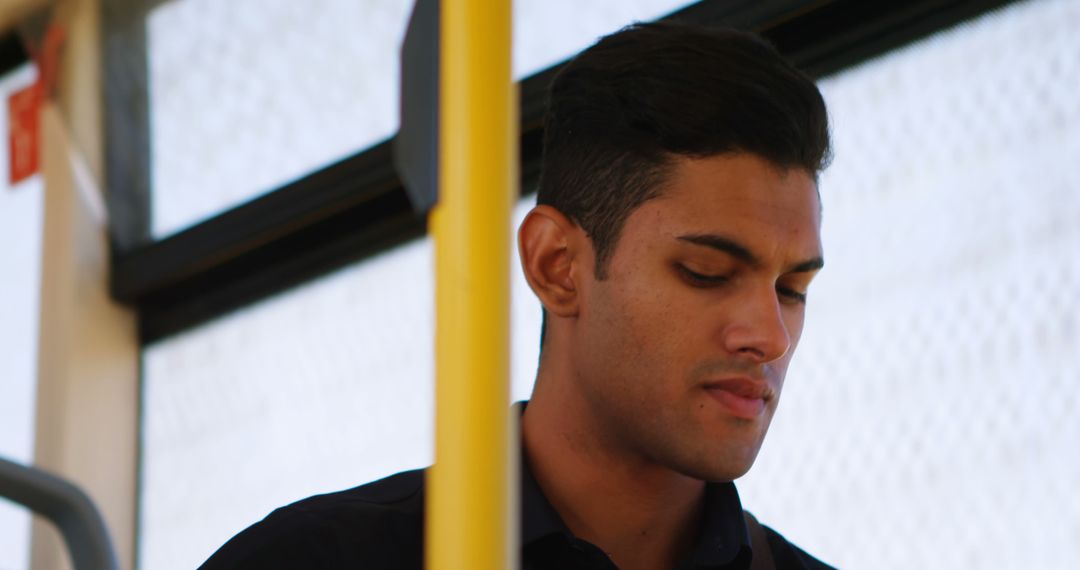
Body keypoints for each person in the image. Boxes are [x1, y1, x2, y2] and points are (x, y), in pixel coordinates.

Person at [202, 21, 833, 570]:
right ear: (556, 266)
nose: (771, 335)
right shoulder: (312, 562)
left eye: (792, 288)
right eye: (706, 272)